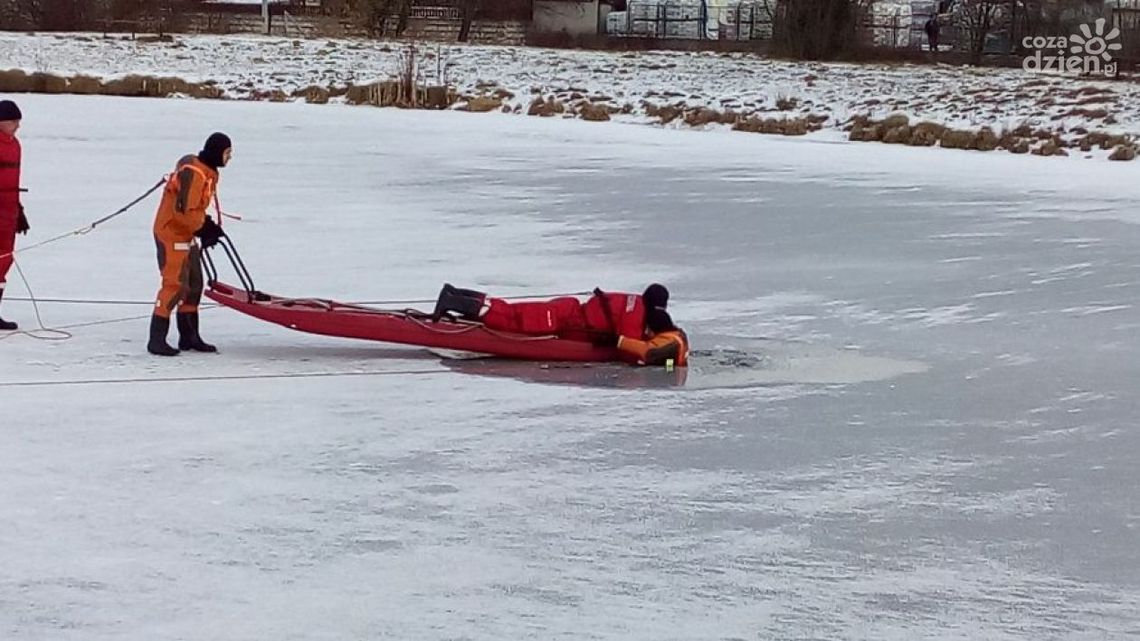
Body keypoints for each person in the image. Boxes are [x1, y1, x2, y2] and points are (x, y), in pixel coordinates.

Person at [147, 133, 231, 356]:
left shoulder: (207, 173)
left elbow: (195, 210)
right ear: (216, 152)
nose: (229, 158)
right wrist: (204, 228)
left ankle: (189, 336)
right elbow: (184, 212)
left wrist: (207, 225)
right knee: (174, 285)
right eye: (227, 153)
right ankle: (156, 339)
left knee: (194, 284)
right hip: (171, 233)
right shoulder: (194, 174)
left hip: (187, 233)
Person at [431, 282, 670, 345]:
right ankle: (453, 300)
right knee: (511, 320)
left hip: (566, 309)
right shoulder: (635, 314)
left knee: (508, 310)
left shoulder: (634, 301)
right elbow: (627, 348)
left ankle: (455, 294)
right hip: (562, 318)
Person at [0, 99, 28, 331]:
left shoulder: (15, 144)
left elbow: (13, 180)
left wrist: (18, 210)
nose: (17, 126)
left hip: (8, 210)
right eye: (13, 122)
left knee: (4, 260)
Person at [616, 307, 689, 367]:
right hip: (671, 369)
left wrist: (619, 341)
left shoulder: (670, 344)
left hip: (669, 377)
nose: (646, 332)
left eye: (648, 328)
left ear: (655, 328)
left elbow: (648, 350)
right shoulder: (677, 335)